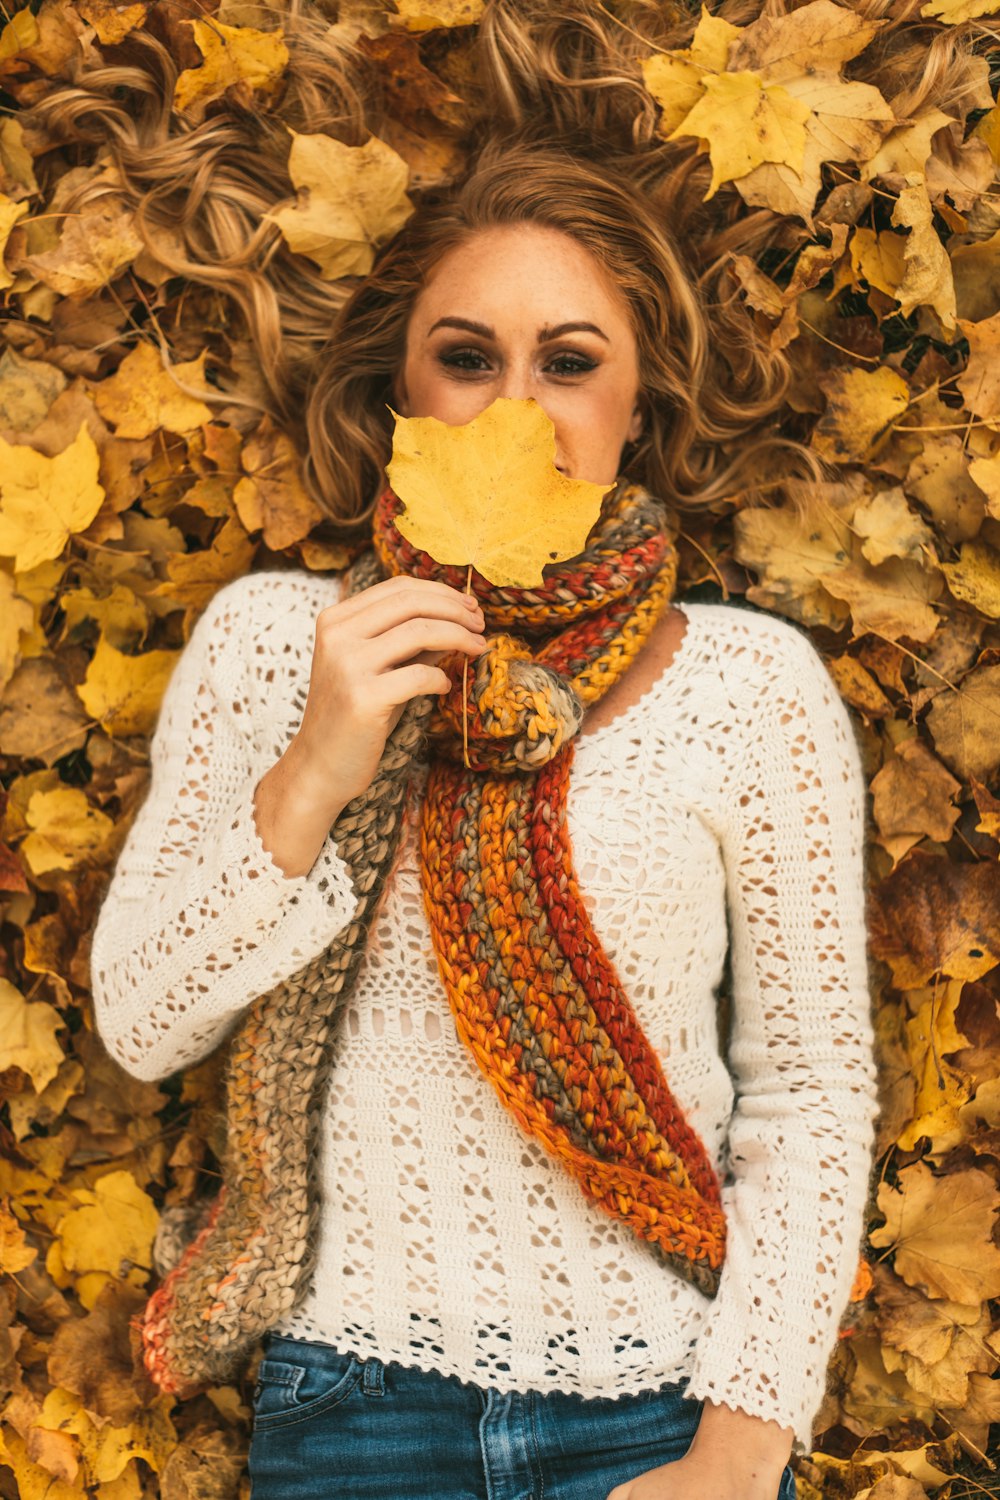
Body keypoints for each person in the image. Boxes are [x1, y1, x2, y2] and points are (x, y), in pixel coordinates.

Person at [71, 3, 914, 1497]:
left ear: (637, 395)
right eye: (469, 359)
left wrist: (740, 1450)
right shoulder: (279, 645)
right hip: (352, 1416)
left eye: (569, 361)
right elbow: (144, 1027)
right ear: (404, 391)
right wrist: (317, 770)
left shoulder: (748, 685)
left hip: (663, 1412)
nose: (517, 408)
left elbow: (809, 1096)